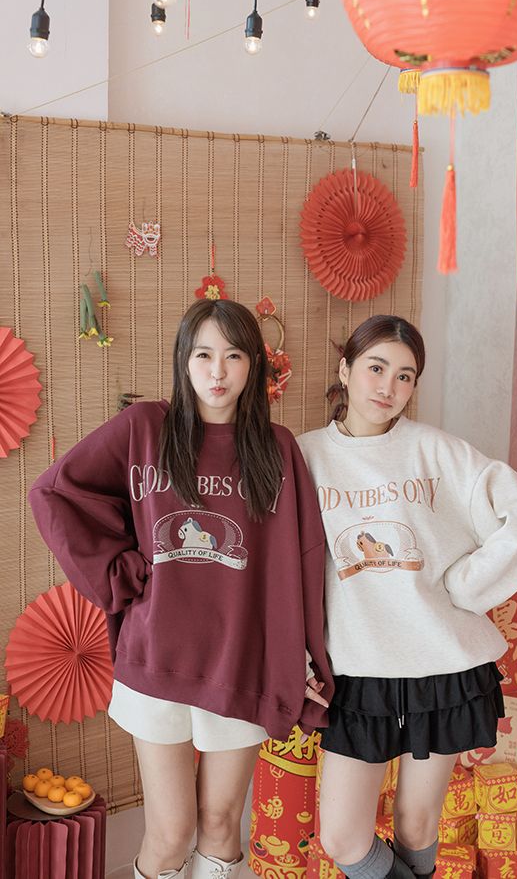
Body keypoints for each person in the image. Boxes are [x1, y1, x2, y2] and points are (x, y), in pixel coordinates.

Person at [29, 299, 332, 879]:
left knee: (220, 824)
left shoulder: (277, 448)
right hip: (157, 655)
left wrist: (300, 653)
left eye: (234, 356)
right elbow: (56, 494)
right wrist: (120, 572)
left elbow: (298, 562)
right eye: (203, 355)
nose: (218, 372)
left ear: (254, 365)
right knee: (170, 834)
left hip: (242, 657)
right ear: (183, 361)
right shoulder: (145, 428)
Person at [296, 314, 517, 879]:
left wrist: (469, 585)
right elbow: (278, 573)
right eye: (375, 368)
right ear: (344, 369)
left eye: (405, 376)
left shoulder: (439, 453)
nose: (387, 387)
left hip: (441, 667)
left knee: (417, 827)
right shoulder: (303, 457)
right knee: (343, 838)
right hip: (356, 672)